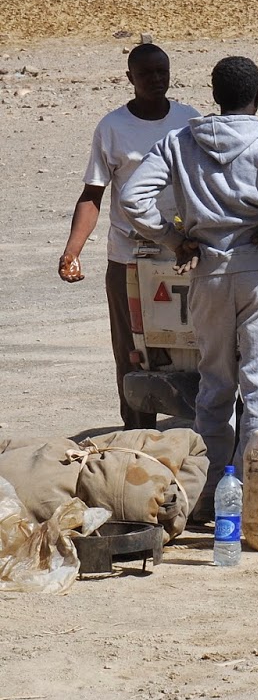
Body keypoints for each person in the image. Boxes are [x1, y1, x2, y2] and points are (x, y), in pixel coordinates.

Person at [122, 56, 258, 519]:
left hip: (207, 273)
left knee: (215, 384)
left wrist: (175, 238)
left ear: (215, 95)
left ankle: (211, 491)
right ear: (257, 97)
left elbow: (133, 199)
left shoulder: (179, 142)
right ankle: (253, 494)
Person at [58, 43, 201, 429]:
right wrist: (72, 251)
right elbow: (93, 194)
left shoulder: (190, 120)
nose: (156, 80)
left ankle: (206, 427)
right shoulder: (112, 128)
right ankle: (137, 431)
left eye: (162, 72)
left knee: (198, 342)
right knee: (132, 349)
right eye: (147, 74)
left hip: (185, 252)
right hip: (129, 257)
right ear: (130, 79)